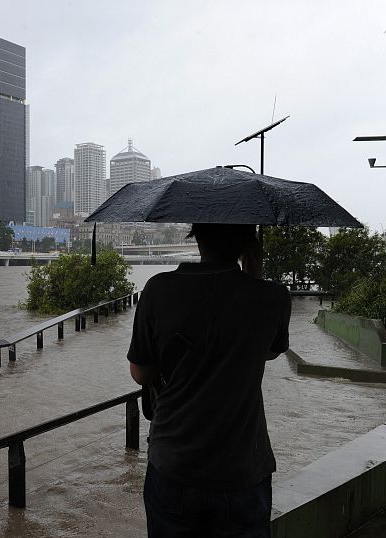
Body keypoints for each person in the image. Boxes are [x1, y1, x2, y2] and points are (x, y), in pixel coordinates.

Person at [127, 223, 291, 537]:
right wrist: (254, 274)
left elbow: (140, 372)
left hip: (174, 462)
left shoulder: (158, 289)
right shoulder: (273, 297)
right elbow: (268, 351)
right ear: (247, 244)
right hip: (243, 467)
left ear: (197, 237)